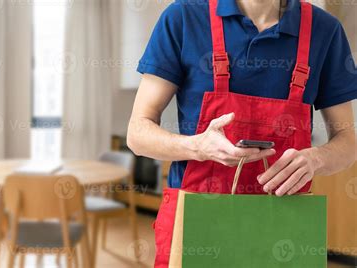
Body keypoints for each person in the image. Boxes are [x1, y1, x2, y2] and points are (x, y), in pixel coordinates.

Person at [126, 0, 356, 266]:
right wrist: (199, 146)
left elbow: (349, 144)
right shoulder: (184, 18)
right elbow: (137, 132)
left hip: (284, 229)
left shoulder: (324, 30)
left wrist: (316, 159)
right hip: (196, 221)